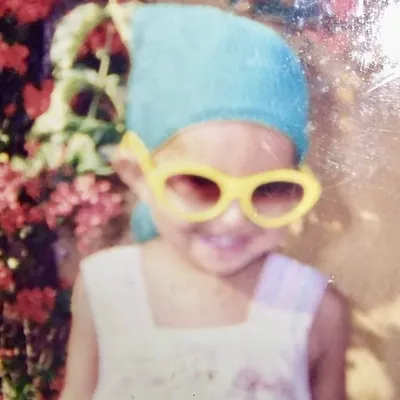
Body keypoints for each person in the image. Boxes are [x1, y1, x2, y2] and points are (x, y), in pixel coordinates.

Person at [60, 3, 350, 399]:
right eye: (201, 184)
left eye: (267, 189)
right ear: (137, 174)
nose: (233, 219)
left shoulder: (315, 310)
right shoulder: (106, 291)